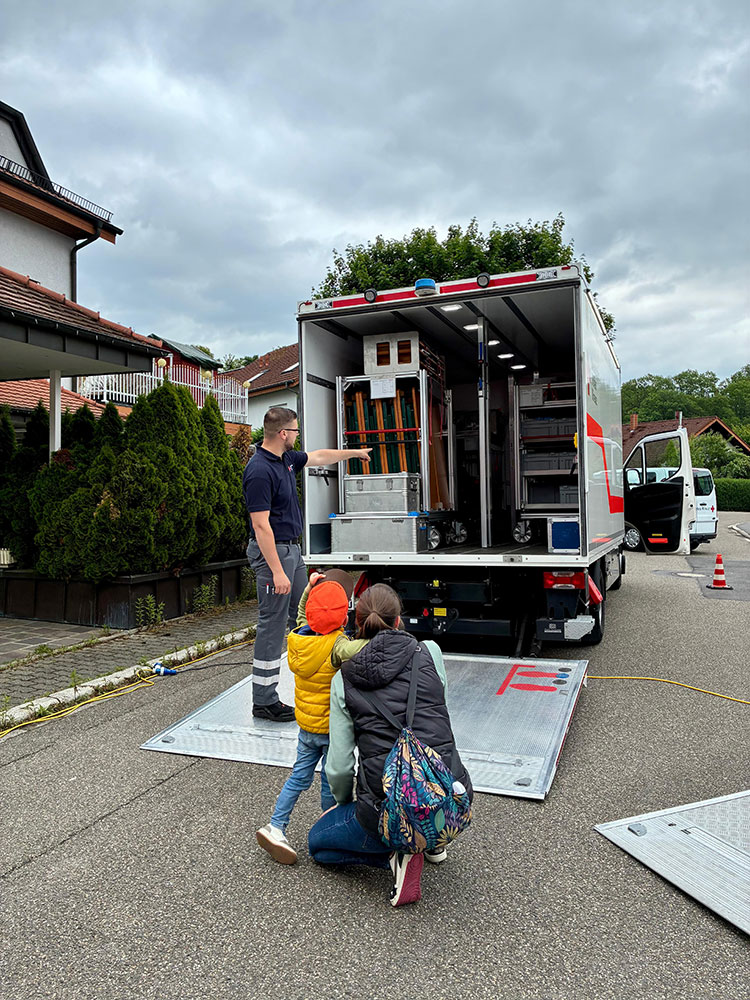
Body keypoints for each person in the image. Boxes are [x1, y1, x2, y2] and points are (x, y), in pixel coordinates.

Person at [307, 583, 473, 907]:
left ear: (356, 624)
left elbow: (338, 767)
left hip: (390, 814)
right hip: (452, 797)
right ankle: (433, 841)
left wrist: (344, 805)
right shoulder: (430, 652)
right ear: (398, 621)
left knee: (318, 844)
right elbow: (439, 715)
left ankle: (397, 854)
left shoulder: (343, 678)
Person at [243, 406, 370, 722]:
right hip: (273, 554)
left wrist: (354, 453)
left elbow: (319, 456)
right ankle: (264, 701)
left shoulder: (285, 459)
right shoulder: (259, 470)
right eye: (296, 431)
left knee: (308, 614)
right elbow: (260, 526)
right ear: (283, 433)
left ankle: (315, 682)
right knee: (272, 626)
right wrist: (276, 571)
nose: (297, 436)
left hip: (291, 551)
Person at [256, 571, 353, 864]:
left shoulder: (298, 638)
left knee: (298, 776)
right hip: (331, 730)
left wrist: (309, 589)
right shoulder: (338, 645)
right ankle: (329, 832)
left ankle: (276, 826)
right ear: (343, 617)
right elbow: (363, 648)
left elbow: (302, 613)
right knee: (329, 781)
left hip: (306, 727)